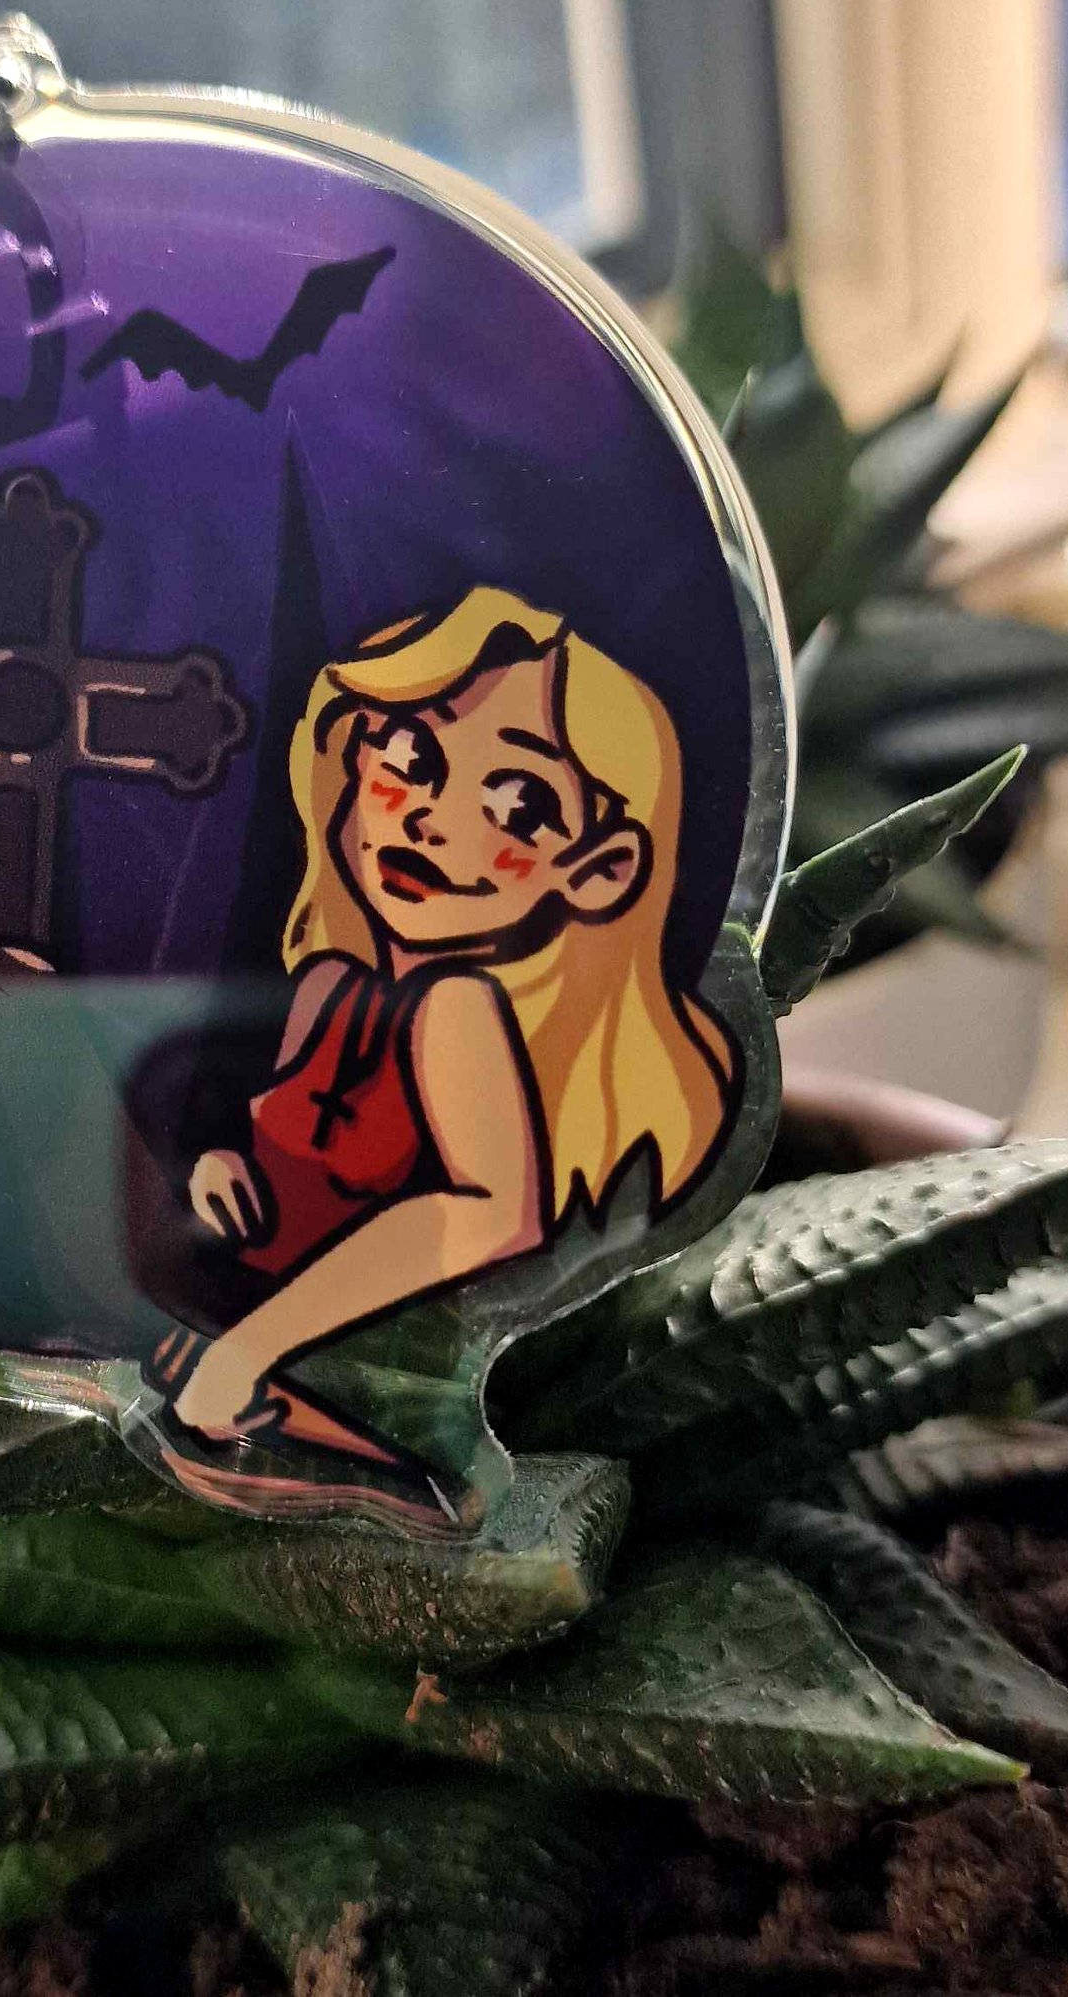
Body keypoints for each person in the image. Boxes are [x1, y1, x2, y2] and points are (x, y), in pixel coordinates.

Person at [156, 585, 735, 1462]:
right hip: (235, 1359)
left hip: (349, 1394)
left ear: (600, 871)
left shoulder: (456, 1011)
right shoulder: (328, 984)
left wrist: (253, 1349)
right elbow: (285, 1158)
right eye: (409, 754)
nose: (431, 817)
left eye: (519, 805)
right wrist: (222, 1173)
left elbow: (493, 1215)